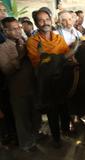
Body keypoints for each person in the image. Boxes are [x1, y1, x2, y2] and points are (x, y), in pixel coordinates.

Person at [26, 8, 70, 148]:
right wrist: (58, 59)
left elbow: (67, 55)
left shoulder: (59, 38)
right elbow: (37, 63)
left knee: (64, 106)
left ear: (51, 21)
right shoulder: (32, 42)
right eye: (41, 20)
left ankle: (66, 130)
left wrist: (67, 58)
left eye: (47, 19)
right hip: (46, 82)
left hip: (62, 79)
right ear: (37, 23)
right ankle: (56, 138)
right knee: (52, 110)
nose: (45, 23)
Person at [0, 17, 41, 152]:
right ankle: (27, 143)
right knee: (22, 117)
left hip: (32, 85)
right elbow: (6, 70)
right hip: (18, 89)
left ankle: (36, 135)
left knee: (35, 114)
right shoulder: (3, 48)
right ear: (5, 31)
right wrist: (20, 56)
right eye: (14, 29)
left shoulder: (27, 42)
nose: (18, 31)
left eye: (19, 27)